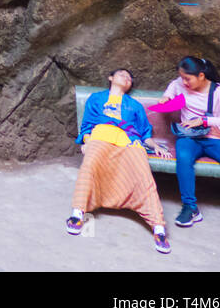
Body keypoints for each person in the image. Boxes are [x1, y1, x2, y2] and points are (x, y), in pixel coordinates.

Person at [149, 56, 220, 237]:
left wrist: (205, 120)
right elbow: (174, 85)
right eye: (182, 78)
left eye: (187, 78)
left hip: (215, 137)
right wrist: (167, 96)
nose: (184, 82)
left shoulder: (218, 91)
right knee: (183, 159)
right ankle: (190, 207)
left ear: (201, 75)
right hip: (188, 137)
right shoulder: (180, 83)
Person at [68, 68, 173, 254]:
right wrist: (87, 141)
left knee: (143, 174)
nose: (126, 78)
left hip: (129, 140)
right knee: (90, 163)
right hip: (101, 135)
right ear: (110, 78)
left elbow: (144, 132)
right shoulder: (97, 99)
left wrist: (154, 146)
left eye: (129, 77)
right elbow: (87, 125)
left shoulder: (134, 105)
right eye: (122, 74)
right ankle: (78, 213)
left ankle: (158, 227)